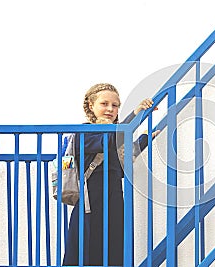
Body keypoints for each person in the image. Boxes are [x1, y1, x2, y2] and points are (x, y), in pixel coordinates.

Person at [62, 83, 159, 266]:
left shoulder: (114, 133)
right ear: (91, 106)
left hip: (113, 201)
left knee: (114, 251)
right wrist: (136, 113)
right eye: (104, 103)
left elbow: (120, 165)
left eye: (115, 105)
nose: (110, 109)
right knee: (86, 253)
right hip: (90, 205)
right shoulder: (84, 132)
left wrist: (144, 139)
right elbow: (110, 139)